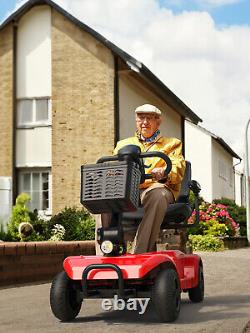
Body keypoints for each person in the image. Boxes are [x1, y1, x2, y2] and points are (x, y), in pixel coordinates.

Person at [95, 104, 185, 254]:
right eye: (140, 118)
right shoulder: (123, 144)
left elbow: (178, 167)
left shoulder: (172, 144)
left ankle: (140, 252)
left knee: (158, 195)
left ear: (158, 122)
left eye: (149, 118)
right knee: (104, 198)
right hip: (130, 190)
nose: (144, 122)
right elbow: (115, 166)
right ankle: (106, 251)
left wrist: (164, 172)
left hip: (156, 187)